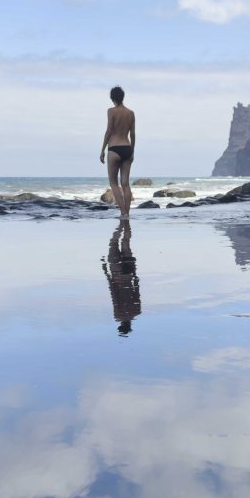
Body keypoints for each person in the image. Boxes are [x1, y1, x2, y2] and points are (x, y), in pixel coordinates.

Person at [99, 85, 136, 219]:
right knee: (125, 183)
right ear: (123, 97)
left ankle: (123, 213)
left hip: (114, 148)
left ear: (112, 98)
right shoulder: (131, 113)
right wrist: (132, 151)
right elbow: (132, 134)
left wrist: (102, 149)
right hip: (127, 148)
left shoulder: (111, 111)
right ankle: (127, 214)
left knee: (113, 183)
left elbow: (109, 131)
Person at [101, 221, 141, 336]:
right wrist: (106, 272)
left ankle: (124, 223)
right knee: (113, 243)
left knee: (126, 243)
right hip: (116, 273)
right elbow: (114, 293)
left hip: (129, 273)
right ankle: (121, 225)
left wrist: (135, 276)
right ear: (121, 325)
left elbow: (137, 293)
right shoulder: (118, 315)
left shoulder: (137, 312)